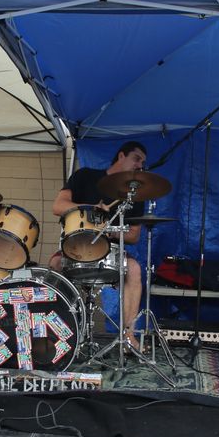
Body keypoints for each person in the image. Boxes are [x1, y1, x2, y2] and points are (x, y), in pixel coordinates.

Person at [50, 141, 147, 352]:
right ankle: (58, 334)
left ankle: (128, 336)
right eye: (136, 159)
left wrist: (108, 230)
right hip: (77, 246)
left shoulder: (134, 192)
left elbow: (134, 235)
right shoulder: (85, 176)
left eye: (142, 162)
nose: (140, 165)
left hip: (110, 251)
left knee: (134, 269)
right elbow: (58, 206)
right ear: (121, 156)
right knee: (56, 264)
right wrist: (91, 209)